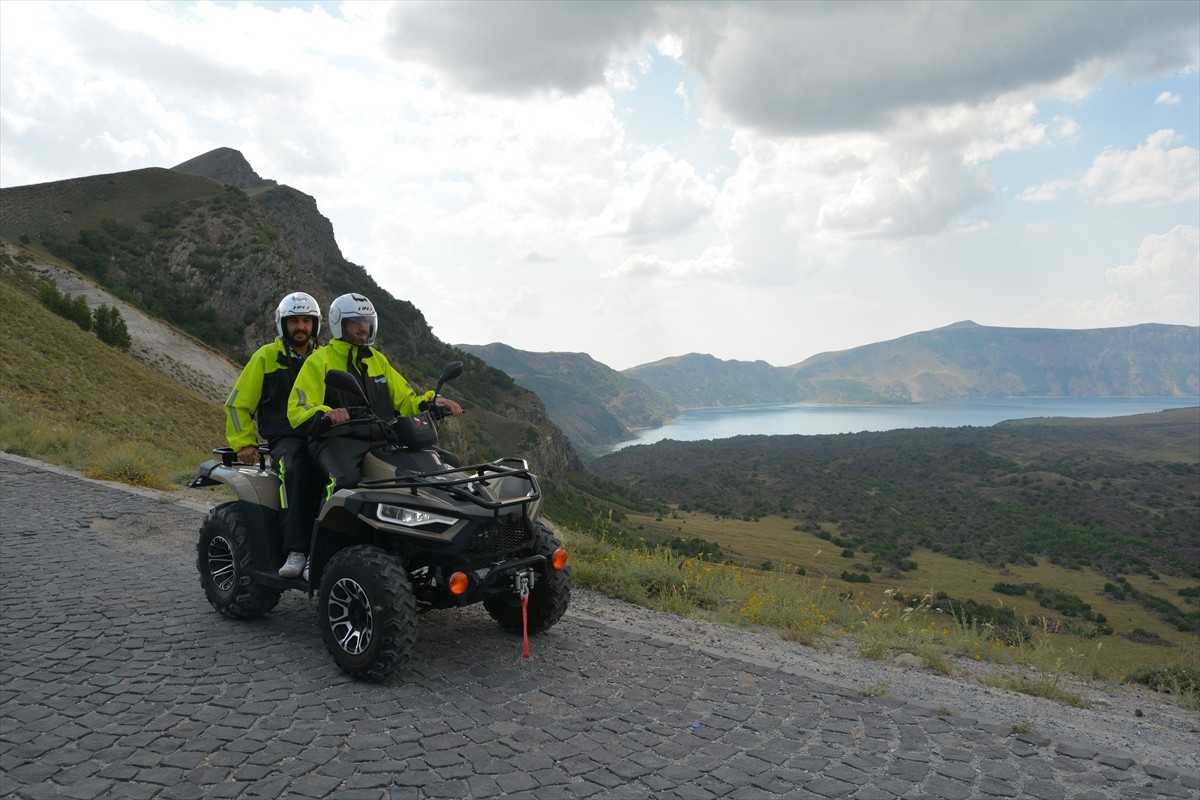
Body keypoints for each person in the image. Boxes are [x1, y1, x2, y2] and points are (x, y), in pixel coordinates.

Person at [288, 292, 462, 497]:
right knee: (345, 482)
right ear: (339, 323)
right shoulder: (319, 361)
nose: (363, 327)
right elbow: (298, 407)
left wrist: (431, 402)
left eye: (366, 321)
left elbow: (406, 400)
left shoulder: (377, 359)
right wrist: (327, 413)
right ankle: (328, 518)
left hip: (382, 437)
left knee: (450, 465)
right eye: (356, 321)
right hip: (336, 439)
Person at [224, 291, 323, 579]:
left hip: (323, 434)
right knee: (294, 470)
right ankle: (297, 551)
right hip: (286, 437)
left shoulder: (324, 357)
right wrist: (244, 442)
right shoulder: (266, 357)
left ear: (315, 325)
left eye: (306, 321)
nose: (300, 327)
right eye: (294, 321)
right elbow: (237, 405)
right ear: (282, 324)